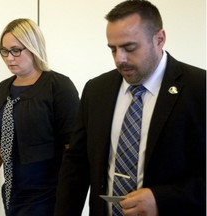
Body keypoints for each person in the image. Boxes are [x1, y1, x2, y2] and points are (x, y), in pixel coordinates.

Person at [54, 1, 206, 216]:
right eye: (113, 49)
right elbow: (76, 165)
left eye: (129, 48)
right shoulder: (96, 90)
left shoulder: (200, 89)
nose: (119, 59)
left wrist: (162, 200)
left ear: (159, 39)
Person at [0, 18, 79, 216]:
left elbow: (73, 147)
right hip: (13, 193)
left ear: (34, 47)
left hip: (48, 195)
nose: (9, 58)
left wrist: (71, 197)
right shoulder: (3, 88)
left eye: (16, 50)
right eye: (4, 51)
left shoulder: (58, 86)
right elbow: (0, 137)